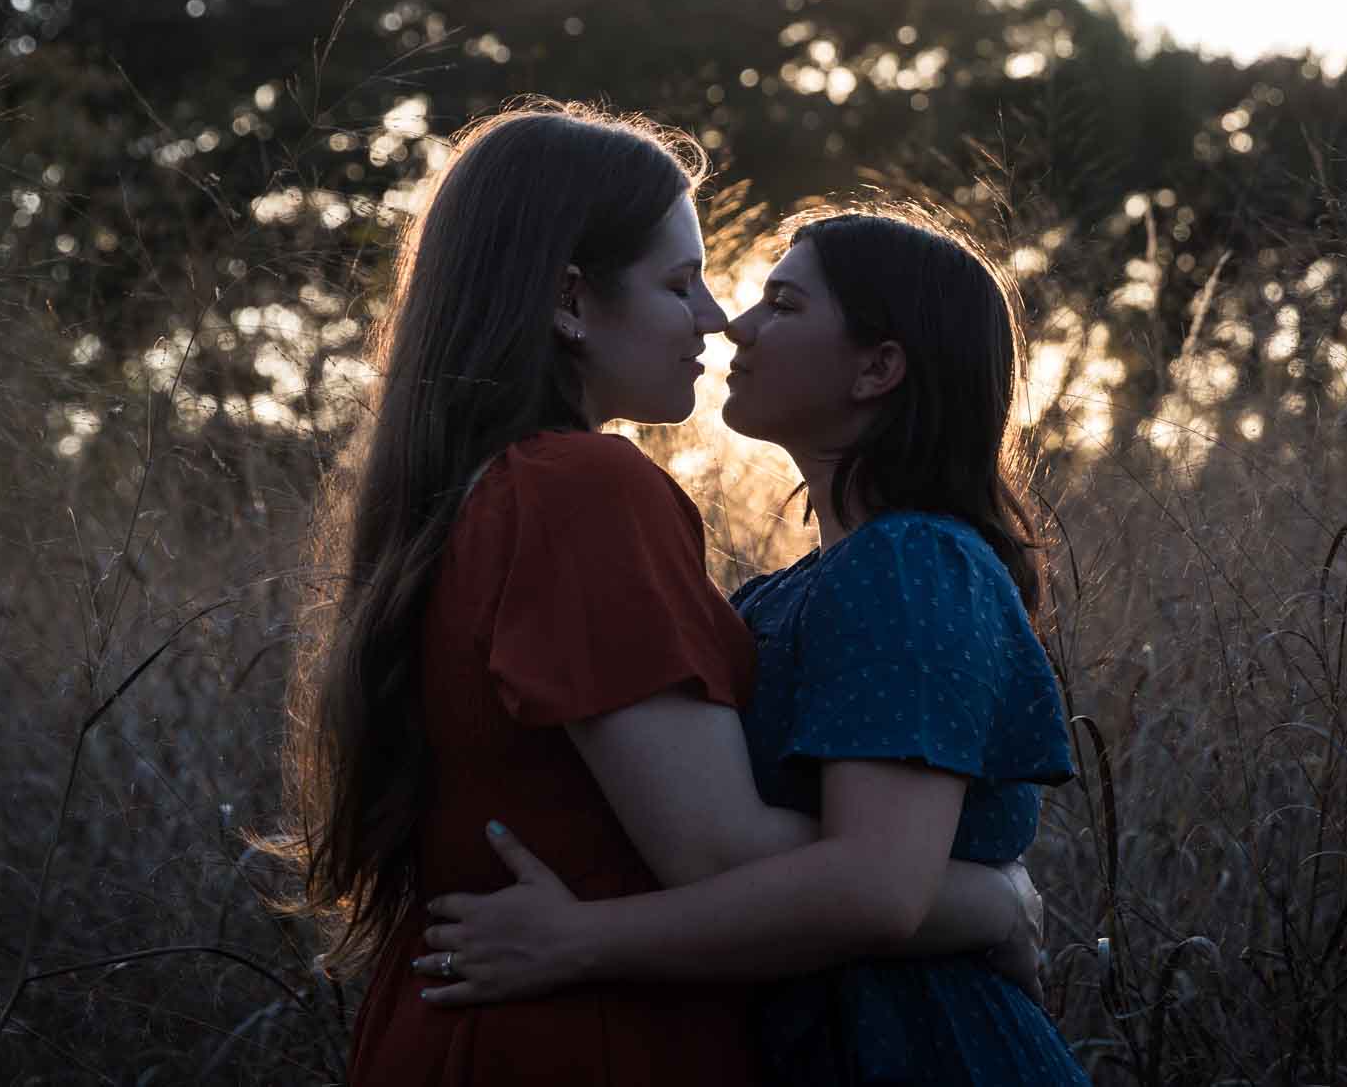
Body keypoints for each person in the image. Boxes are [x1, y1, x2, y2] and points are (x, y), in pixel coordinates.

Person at [262, 104, 1043, 1086]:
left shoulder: (478, 494)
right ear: (569, 300)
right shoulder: (581, 490)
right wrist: (992, 900)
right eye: (681, 283)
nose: (715, 318)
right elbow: (720, 852)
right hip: (580, 1039)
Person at [416, 208, 1091, 1086]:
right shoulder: (780, 592)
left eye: (783, 303)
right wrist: (995, 899)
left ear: (878, 366)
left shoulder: (913, 563)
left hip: (921, 1044)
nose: (736, 322)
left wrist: (582, 939)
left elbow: (880, 887)